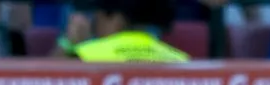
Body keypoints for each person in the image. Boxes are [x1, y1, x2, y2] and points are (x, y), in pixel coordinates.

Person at [54, 0, 188, 62]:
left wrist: (67, 43)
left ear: (116, 21)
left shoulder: (86, 55)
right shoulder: (179, 60)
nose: (94, 24)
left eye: (98, 17)